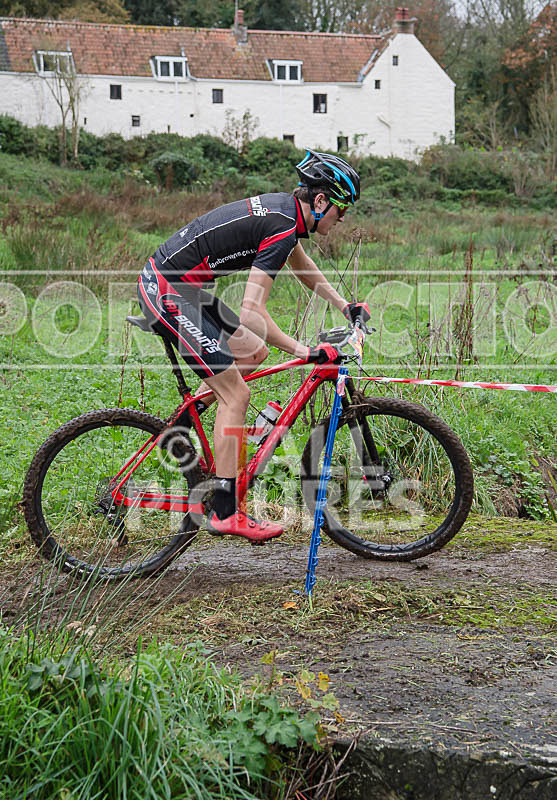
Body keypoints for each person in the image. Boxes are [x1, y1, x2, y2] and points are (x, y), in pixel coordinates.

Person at [137, 149, 370, 542]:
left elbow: (302, 266)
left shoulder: (286, 217)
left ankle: (191, 416)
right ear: (320, 201)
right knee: (237, 395)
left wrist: (344, 305)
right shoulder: (282, 225)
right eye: (340, 210)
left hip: (182, 287)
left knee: (252, 354)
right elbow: (251, 313)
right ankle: (226, 513)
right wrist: (304, 351)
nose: (342, 219)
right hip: (168, 291)